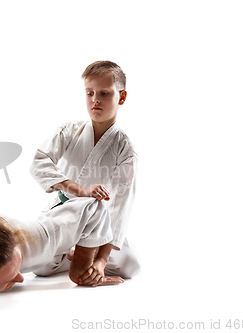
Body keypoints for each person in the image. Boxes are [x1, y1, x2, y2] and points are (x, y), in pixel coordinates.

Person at [30, 60, 141, 286]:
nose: (95, 100)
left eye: (104, 93)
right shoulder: (70, 131)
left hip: (101, 222)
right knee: (40, 267)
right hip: (64, 213)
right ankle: (76, 255)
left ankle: (86, 258)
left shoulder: (125, 149)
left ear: (122, 97)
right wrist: (76, 189)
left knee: (130, 265)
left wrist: (101, 260)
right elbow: (39, 162)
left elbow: (120, 206)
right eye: (89, 93)